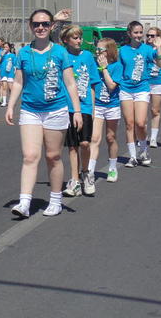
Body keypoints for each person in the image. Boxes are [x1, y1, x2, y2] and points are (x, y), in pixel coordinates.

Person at [5, 9, 82, 218]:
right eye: (37, 24)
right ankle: (24, 203)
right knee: (30, 156)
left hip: (56, 110)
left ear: (51, 27)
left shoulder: (59, 52)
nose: (40, 28)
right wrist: (11, 105)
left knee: (53, 156)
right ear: (30, 27)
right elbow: (19, 81)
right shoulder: (23, 53)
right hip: (30, 110)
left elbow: (70, 83)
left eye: (45, 24)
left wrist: (76, 111)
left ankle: (55, 200)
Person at [60, 25, 101, 198]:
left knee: (85, 143)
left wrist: (91, 109)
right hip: (67, 107)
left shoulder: (88, 57)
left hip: (84, 107)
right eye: (75, 38)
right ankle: (75, 180)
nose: (79, 41)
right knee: (72, 146)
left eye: (80, 37)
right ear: (66, 40)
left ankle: (86, 173)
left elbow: (93, 84)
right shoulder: (62, 56)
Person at [119, 21, 161, 168]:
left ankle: (143, 150)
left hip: (142, 89)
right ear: (129, 33)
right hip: (126, 89)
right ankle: (132, 156)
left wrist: (158, 49)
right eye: (136, 32)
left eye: (140, 33)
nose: (139, 35)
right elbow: (119, 69)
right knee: (129, 124)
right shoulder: (123, 50)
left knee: (140, 122)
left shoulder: (146, 49)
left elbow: (160, 64)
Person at [88, 38, 122, 185]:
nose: (97, 53)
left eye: (100, 50)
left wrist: (104, 69)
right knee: (94, 139)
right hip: (98, 106)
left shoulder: (117, 66)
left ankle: (113, 168)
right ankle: (89, 171)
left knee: (110, 137)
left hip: (112, 106)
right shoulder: (93, 65)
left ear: (108, 51)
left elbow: (111, 86)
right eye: (96, 50)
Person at [146, 27, 161, 148]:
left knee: (155, 110)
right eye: (148, 35)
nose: (150, 38)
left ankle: (153, 137)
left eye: (152, 35)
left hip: (158, 82)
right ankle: (142, 134)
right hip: (145, 82)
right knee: (143, 111)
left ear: (158, 37)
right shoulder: (144, 49)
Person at [0, 42, 16, 108]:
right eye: (4, 47)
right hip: (3, 73)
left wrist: (15, 72)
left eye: (6, 47)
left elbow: (15, 64)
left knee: (10, 88)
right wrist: (1, 56)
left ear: (9, 48)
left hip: (10, 73)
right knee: (4, 87)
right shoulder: (2, 55)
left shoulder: (12, 55)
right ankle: (4, 102)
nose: (5, 48)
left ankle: (11, 101)